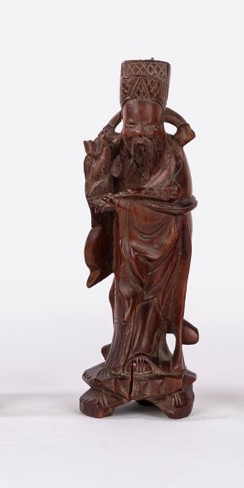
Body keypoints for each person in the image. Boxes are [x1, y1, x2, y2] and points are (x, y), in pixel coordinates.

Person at [80, 59, 199, 419]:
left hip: (164, 250)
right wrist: (102, 159)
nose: (140, 133)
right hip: (126, 249)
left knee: (152, 304)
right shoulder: (119, 152)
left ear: (162, 125)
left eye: (150, 124)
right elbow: (98, 192)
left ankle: (152, 365)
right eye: (131, 124)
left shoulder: (172, 155)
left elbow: (177, 199)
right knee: (123, 298)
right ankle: (123, 364)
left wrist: (126, 203)